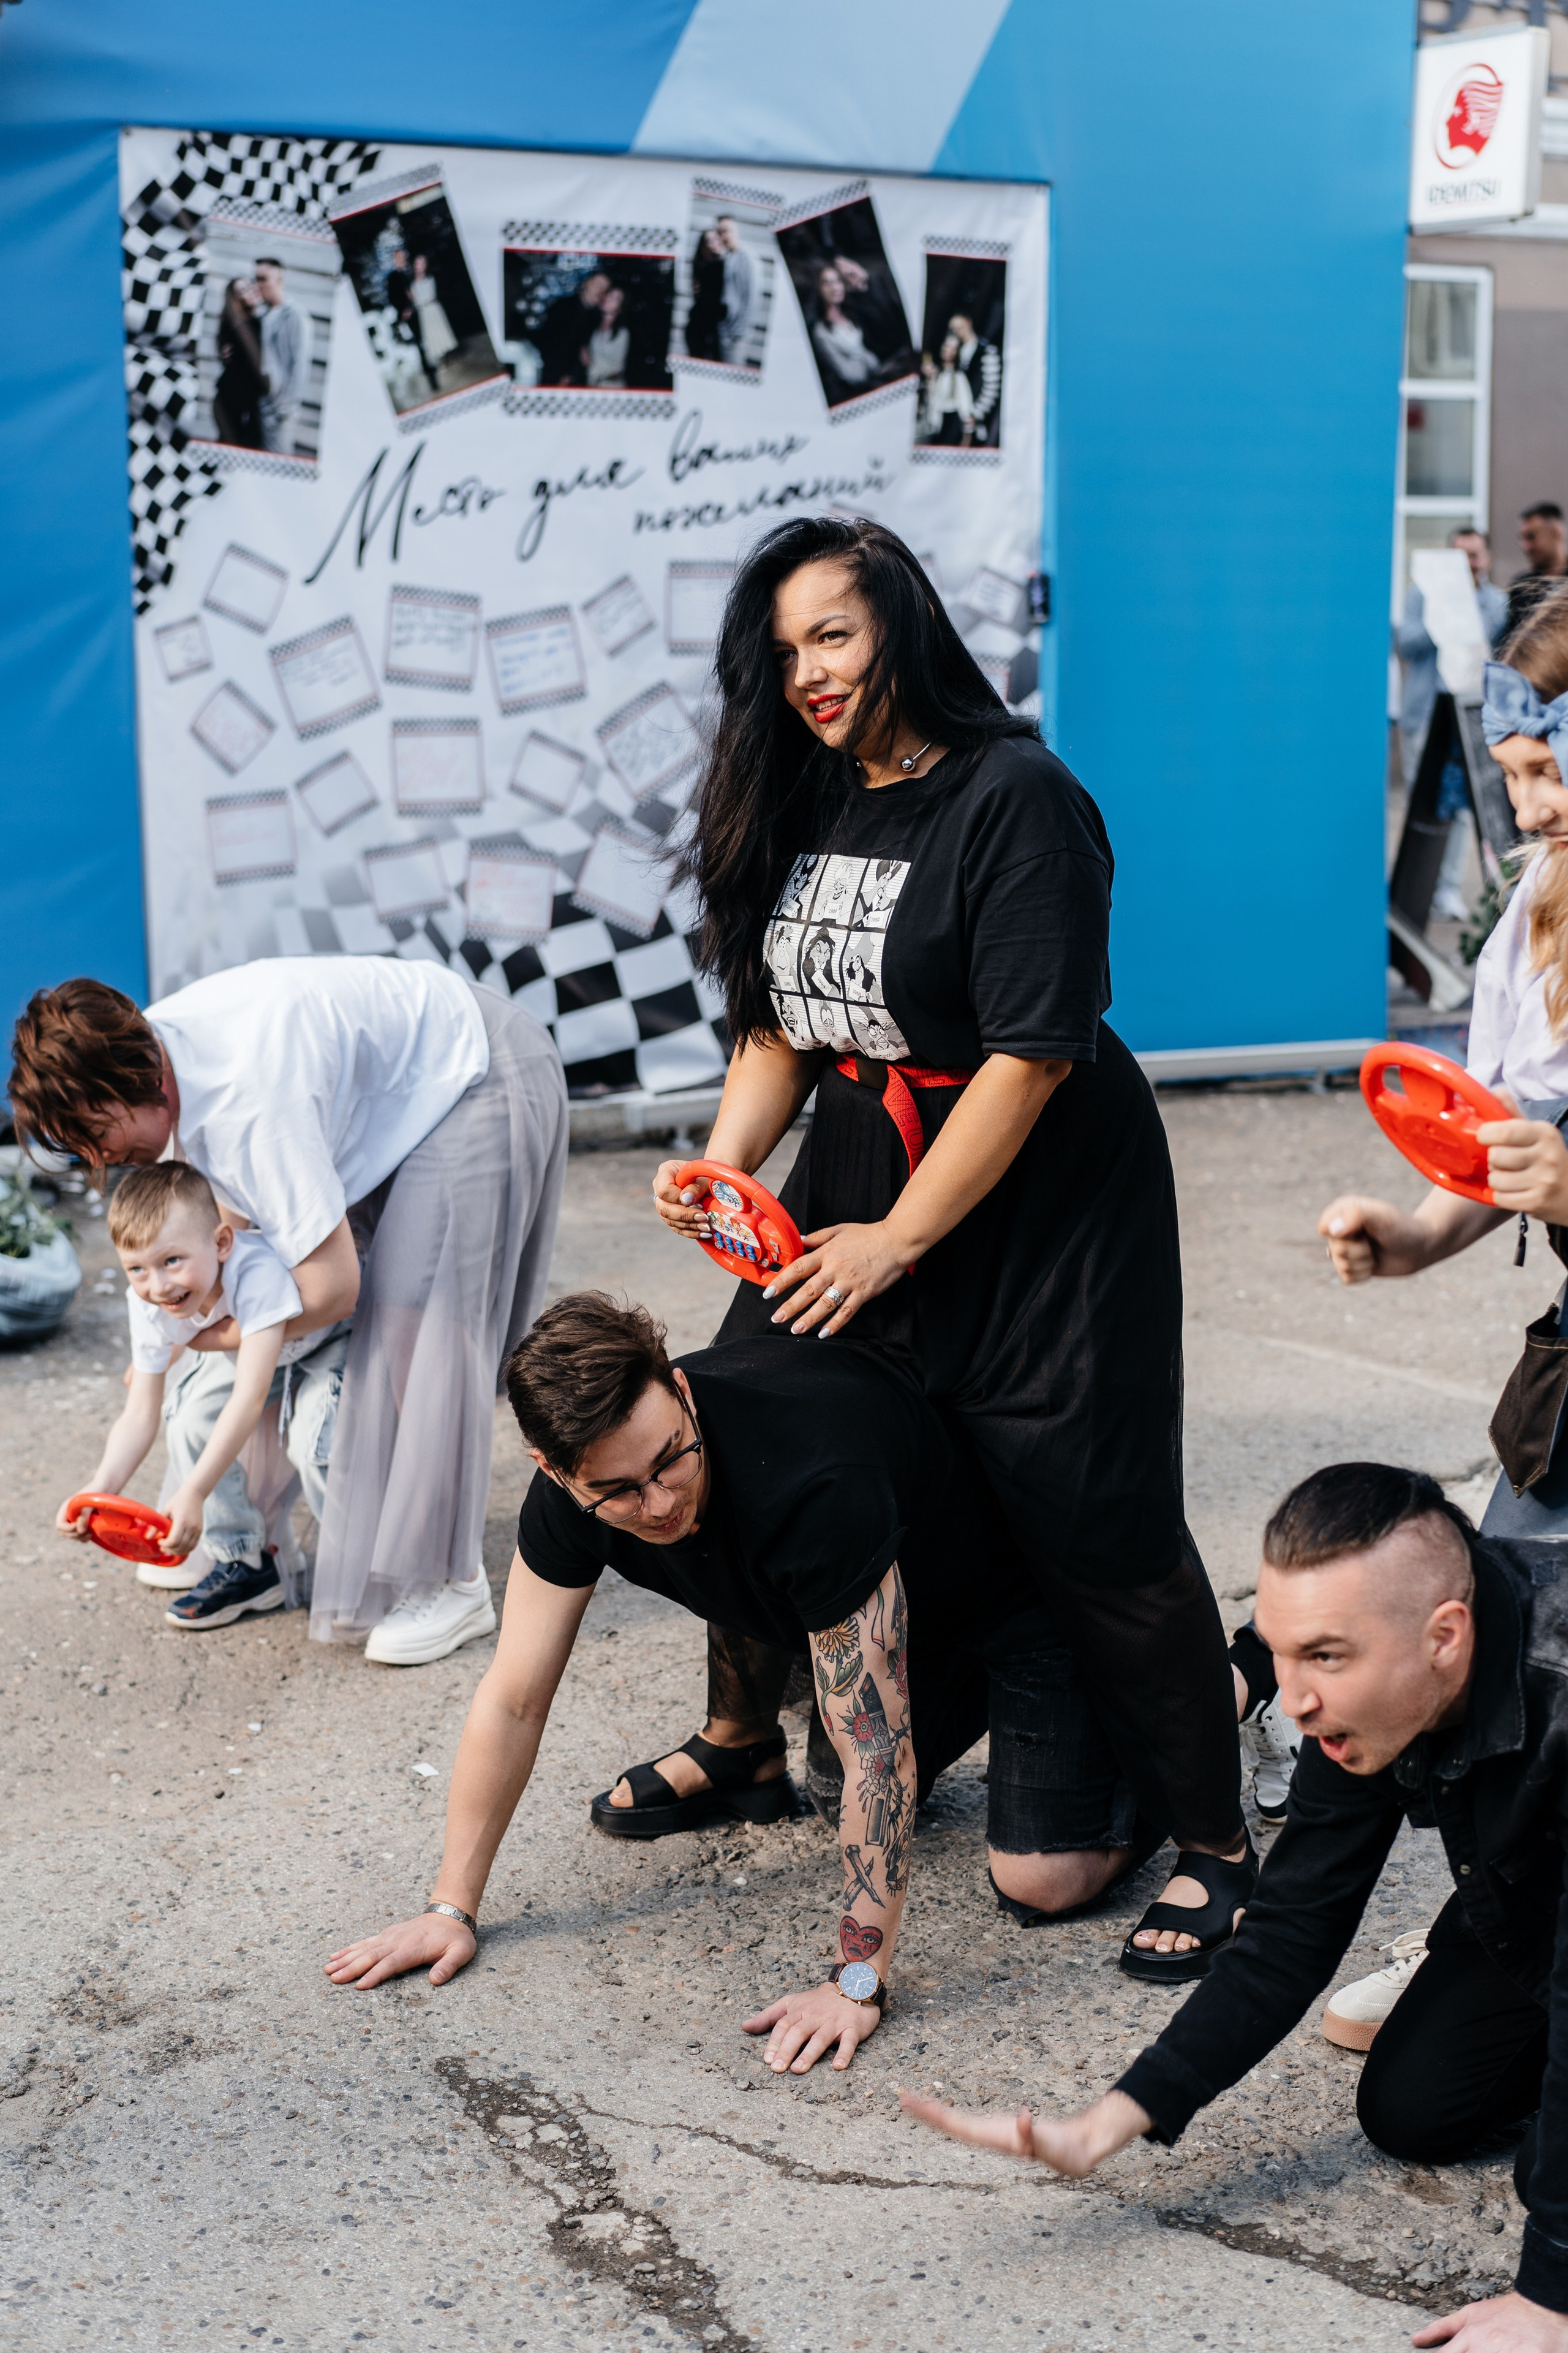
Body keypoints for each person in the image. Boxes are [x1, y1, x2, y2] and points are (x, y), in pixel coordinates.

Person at [646, 513, 1253, 1984]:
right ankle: (743, 1740)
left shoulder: (1016, 799)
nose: (805, 672)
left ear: (902, 625)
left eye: (831, 635)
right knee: (753, 1422)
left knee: (1085, 1505)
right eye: (780, 650)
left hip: (1038, 1198)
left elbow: (1031, 1055)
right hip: (856, 1161)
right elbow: (782, 1015)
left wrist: (899, 1241)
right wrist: (725, 1169)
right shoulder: (801, 794)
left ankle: (1219, 1835)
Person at [325, 1293, 1174, 2064]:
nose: (657, 1502)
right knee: (826, 1771)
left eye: (670, 1460)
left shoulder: (811, 1477)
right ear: (554, 1470)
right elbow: (514, 1697)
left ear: (683, 1395)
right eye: (618, 1490)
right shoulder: (570, 1500)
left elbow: (881, 1755)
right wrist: (451, 1909)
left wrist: (856, 1981)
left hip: (1019, 1605)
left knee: (1042, 1879)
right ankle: (747, 1756)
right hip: (893, 1612)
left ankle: (1192, 1702)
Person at [907, 1460, 1568, 2353]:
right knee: (1413, 2110)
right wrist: (1108, 2121)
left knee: (1550, 2193)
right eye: (1281, 1654)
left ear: (1446, 1634)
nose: (1294, 1703)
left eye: (1326, 1656)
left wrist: (1548, 2297)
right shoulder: (1365, 1691)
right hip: (1529, 1889)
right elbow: (1291, 1929)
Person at [9, 956, 567, 1665]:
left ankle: (446, 1579)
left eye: (98, 1129)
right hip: (383, 1082)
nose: (100, 1158)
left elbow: (333, 1288)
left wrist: (223, 1337)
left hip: (475, 1067)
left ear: (137, 1079)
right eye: (79, 1144)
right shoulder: (150, 1055)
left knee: (412, 1317)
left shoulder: (247, 1104)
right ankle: (250, 1546)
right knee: (250, 1284)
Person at [56, 1161, 319, 1628]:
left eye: (171, 1261)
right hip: (257, 1354)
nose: (158, 1285)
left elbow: (249, 1396)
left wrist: (193, 1489)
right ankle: (247, 1561)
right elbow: (140, 1412)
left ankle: (380, 1558)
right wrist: (100, 1487)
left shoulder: (254, 1275)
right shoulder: (149, 1301)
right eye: (136, 1268)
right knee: (190, 1418)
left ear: (221, 1242)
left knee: (323, 1440)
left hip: (327, 1342)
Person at [1394, 526, 1510, 920]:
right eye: (1459, 555)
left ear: (1487, 559)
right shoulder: (1422, 594)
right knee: (1422, 808)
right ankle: (1415, 896)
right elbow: (1405, 644)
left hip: (1468, 720)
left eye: (1474, 555)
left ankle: (1446, 890)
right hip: (1425, 715)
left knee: (1461, 806)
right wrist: (1442, 617)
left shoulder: (1498, 603)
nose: (1467, 564)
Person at [253, 259, 307, 456]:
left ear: (279, 280)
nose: (258, 285)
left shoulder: (294, 315)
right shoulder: (262, 315)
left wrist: (285, 410)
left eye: (263, 279)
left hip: (279, 413)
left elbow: (299, 364)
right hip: (259, 407)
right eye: (255, 280)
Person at [809, 264, 881, 404]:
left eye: (838, 281)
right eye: (827, 283)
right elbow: (848, 374)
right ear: (819, 289)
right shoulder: (820, 332)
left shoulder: (853, 316)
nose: (835, 288)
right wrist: (867, 362)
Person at [211, 277, 266, 450]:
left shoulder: (247, 323)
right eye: (243, 291)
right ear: (236, 300)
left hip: (234, 402)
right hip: (234, 403)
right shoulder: (245, 326)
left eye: (250, 286)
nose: (251, 290)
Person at [535, 268, 609, 387]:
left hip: (578, 377)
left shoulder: (595, 316)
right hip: (557, 376)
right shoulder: (564, 306)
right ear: (587, 283)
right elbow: (552, 343)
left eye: (605, 289)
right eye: (598, 285)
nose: (601, 291)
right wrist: (564, 375)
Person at [1507, 504, 1568, 641]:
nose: (1525, 546)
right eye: (1521, 538)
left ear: (1557, 532)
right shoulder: (1522, 587)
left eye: (1531, 537)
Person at [948, 311, 1001, 447]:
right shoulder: (954, 354)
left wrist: (976, 414)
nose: (958, 332)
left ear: (968, 322)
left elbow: (992, 387)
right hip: (953, 421)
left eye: (960, 327)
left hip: (976, 421)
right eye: (954, 329)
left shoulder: (986, 351)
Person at [407, 252, 458, 385]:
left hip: (433, 309)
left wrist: (420, 300)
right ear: (414, 265)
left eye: (423, 263)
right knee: (431, 336)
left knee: (440, 333)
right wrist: (414, 299)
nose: (421, 266)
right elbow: (417, 302)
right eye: (418, 263)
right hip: (425, 312)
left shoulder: (430, 279)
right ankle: (439, 361)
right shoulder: (412, 283)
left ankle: (446, 357)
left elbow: (430, 296)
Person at [918, 334, 974, 447]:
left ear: (956, 352)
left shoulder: (958, 376)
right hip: (934, 424)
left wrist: (967, 437)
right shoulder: (936, 374)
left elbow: (966, 406)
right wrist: (930, 379)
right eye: (946, 345)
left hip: (952, 423)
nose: (946, 349)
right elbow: (929, 400)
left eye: (951, 347)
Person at [715, 216, 756, 366]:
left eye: (726, 231)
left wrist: (738, 333)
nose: (723, 236)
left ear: (736, 231)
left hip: (737, 335)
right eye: (720, 233)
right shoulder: (728, 257)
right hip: (725, 331)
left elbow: (751, 298)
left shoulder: (746, 258)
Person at [684, 227, 725, 362]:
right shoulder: (710, 267)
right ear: (704, 246)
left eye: (717, 238)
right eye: (710, 241)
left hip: (712, 329)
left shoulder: (724, 264)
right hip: (701, 329)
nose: (715, 242)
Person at [584, 282, 630, 388]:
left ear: (620, 307)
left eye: (616, 298)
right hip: (592, 384)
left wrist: (590, 364)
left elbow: (617, 366)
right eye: (609, 295)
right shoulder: (594, 327)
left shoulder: (622, 333)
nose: (609, 299)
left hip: (612, 386)